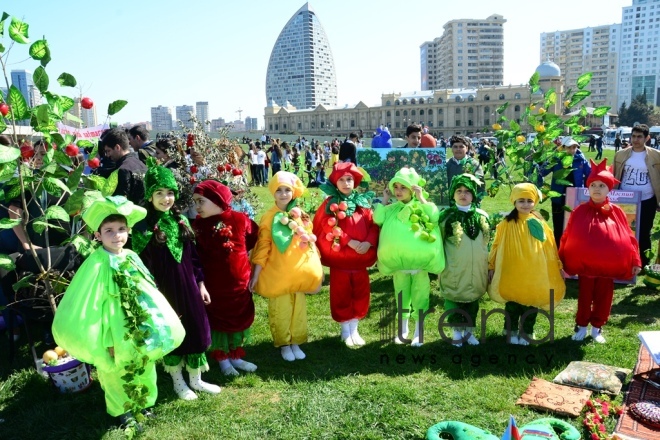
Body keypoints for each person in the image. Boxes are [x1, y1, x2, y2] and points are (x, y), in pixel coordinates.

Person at [51, 196, 185, 429]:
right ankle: (123, 410)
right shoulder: (97, 263)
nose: (117, 236)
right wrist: (106, 339)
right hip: (113, 328)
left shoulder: (131, 256)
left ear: (129, 230)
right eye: (109, 231)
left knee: (144, 363)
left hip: (140, 325)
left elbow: (147, 288)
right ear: (98, 235)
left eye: (121, 229)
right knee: (116, 371)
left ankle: (143, 403)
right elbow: (92, 302)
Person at [132, 166, 220, 400]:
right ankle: (178, 382)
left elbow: (193, 258)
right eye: (159, 193)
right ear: (149, 195)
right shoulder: (143, 227)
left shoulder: (181, 220)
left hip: (189, 287)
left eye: (169, 192)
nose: (165, 198)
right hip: (164, 292)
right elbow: (142, 265)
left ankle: (197, 379)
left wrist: (201, 284)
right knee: (172, 332)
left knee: (197, 329)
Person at [560, 159, 641, 344]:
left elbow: (629, 237)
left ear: (609, 189)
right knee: (585, 296)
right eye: (593, 185)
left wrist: (636, 260)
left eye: (602, 185)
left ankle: (596, 328)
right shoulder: (579, 211)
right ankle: (581, 326)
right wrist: (561, 258)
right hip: (586, 267)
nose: (597, 189)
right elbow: (568, 235)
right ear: (588, 188)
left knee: (604, 297)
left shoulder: (617, 212)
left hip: (607, 268)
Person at [249, 172, 323, 361]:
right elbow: (263, 245)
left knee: (298, 308)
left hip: (297, 271)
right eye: (279, 190)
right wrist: (256, 272)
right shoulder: (269, 217)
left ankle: (296, 341)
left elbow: (308, 240)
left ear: (294, 192)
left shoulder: (299, 214)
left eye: (287, 190)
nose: (283, 194)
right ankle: (284, 343)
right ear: (273, 193)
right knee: (281, 309)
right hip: (278, 271)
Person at [192, 180, 259, 375]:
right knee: (220, 320)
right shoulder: (198, 226)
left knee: (237, 317)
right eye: (195, 201)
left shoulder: (240, 219)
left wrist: (241, 261)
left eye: (201, 201)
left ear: (217, 200)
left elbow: (253, 237)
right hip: (215, 285)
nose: (197, 206)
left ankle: (236, 356)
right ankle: (223, 360)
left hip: (238, 283)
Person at [374, 168, 444, 347]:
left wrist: (421, 199)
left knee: (421, 297)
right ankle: (402, 329)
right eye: (395, 187)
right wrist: (384, 199)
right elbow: (377, 218)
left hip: (420, 267)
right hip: (400, 266)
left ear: (412, 189)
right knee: (402, 296)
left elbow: (434, 216)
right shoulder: (390, 209)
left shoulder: (422, 207)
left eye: (403, 187)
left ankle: (418, 332)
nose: (398, 191)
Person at [487, 183, 565, 345]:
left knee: (532, 301)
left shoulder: (540, 223)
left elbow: (550, 245)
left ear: (535, 202)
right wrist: (492, 265)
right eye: (521, 200)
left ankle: (527, 331)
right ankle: (511, 330)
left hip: (533, 271)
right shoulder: (506, 224)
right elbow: (496, 245)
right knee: (513, 302)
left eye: (529, 200)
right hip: (512, 270)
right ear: (514, 202)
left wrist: (557, 265)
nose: (525, 204)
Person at [312, 163, 379, 346]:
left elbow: (373, 224)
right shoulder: (331, 204)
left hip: (359, 259)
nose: (346, 183)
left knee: (360, 293)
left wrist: (368, 242)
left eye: (349, 179)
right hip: (341, 259)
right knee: (341, 293)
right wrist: (349, 240)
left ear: (355, 181)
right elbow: (328, 225)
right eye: (341, 179)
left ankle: (354, 328)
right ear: (335, 182)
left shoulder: (362, 203)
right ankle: (345, 330)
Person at [437, 174, 490, 347]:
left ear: (473, 194)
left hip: (476, 269)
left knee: (472, 300)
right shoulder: (446, 218)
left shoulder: (482, 216)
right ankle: (456, 331)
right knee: (454, 299)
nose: (463, 194)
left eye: (467, 191)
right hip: (454, 268)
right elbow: (438, 243)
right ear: (452, 194)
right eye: (459, 191)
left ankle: (469, 331)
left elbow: (487, 242)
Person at [613, 124, 660, 268]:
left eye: (639, 137)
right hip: (625, 199)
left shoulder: (655, 155)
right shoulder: (621, 154)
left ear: (647, 138)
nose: (636, 139)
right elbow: (614, 176)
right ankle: (623, 260)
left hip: (647, 199)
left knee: (644, 231)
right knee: (623, 230)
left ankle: (644, 263)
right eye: (633, 136)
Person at [540, 137, 591, 246]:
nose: (572, 150)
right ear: (562, 148)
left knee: (575, 226)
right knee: (558, 226)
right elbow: (542, 172)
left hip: (576, 199)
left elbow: (590, 174)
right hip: (559, 198)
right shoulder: (556, 159)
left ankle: (573, 248)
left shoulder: (580, 159)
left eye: (575, 147)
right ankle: (558, 250)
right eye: (569, 147)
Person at [101, 128, 147, 204]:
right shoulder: (142, 164)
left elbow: (121, 202)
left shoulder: (123, 170)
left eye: (108, 151)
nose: (107, 155)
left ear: (117, 147)